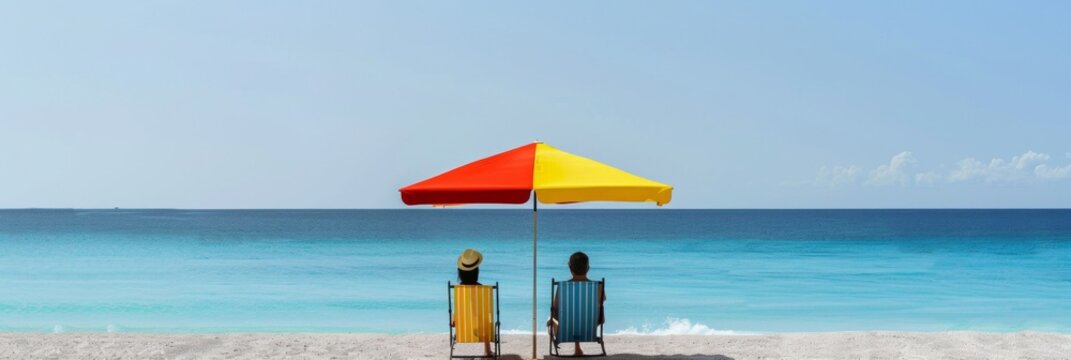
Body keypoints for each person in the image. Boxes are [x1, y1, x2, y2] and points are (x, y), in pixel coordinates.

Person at [548, 251, 606, 356]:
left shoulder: (563, 287)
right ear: (588, 268)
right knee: (583, 312)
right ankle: (577, 348)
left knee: (552, 318)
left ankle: (576, 348)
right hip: (589, 328)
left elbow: (555, 308)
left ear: (569, 267)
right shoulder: (598, 286)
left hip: (567, 330)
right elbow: (603, 300)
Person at [453, 248, 492, 356]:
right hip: (482, 328)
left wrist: (453, 319)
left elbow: (458, 309)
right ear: (476, 272)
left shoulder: (458, 290)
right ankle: (487, 350)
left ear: (460, 272)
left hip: (463, 327)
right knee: (485, 321)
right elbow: (487, 311)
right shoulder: (483, 289)